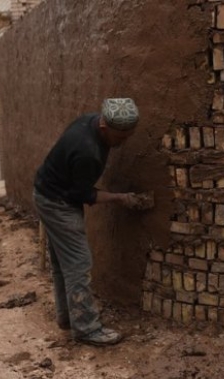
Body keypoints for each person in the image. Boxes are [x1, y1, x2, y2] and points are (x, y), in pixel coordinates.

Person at [33, 97, 145, 346]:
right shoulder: (88, 152)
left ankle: (67, 318)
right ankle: (86, 328)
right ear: (105, 127)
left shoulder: (91, 122)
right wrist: (120, 198)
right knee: (78, 263)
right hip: (57, 202)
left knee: (63, 265)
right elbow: (82, 195)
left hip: (48, 191)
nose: (123, 142)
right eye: (120, 137)